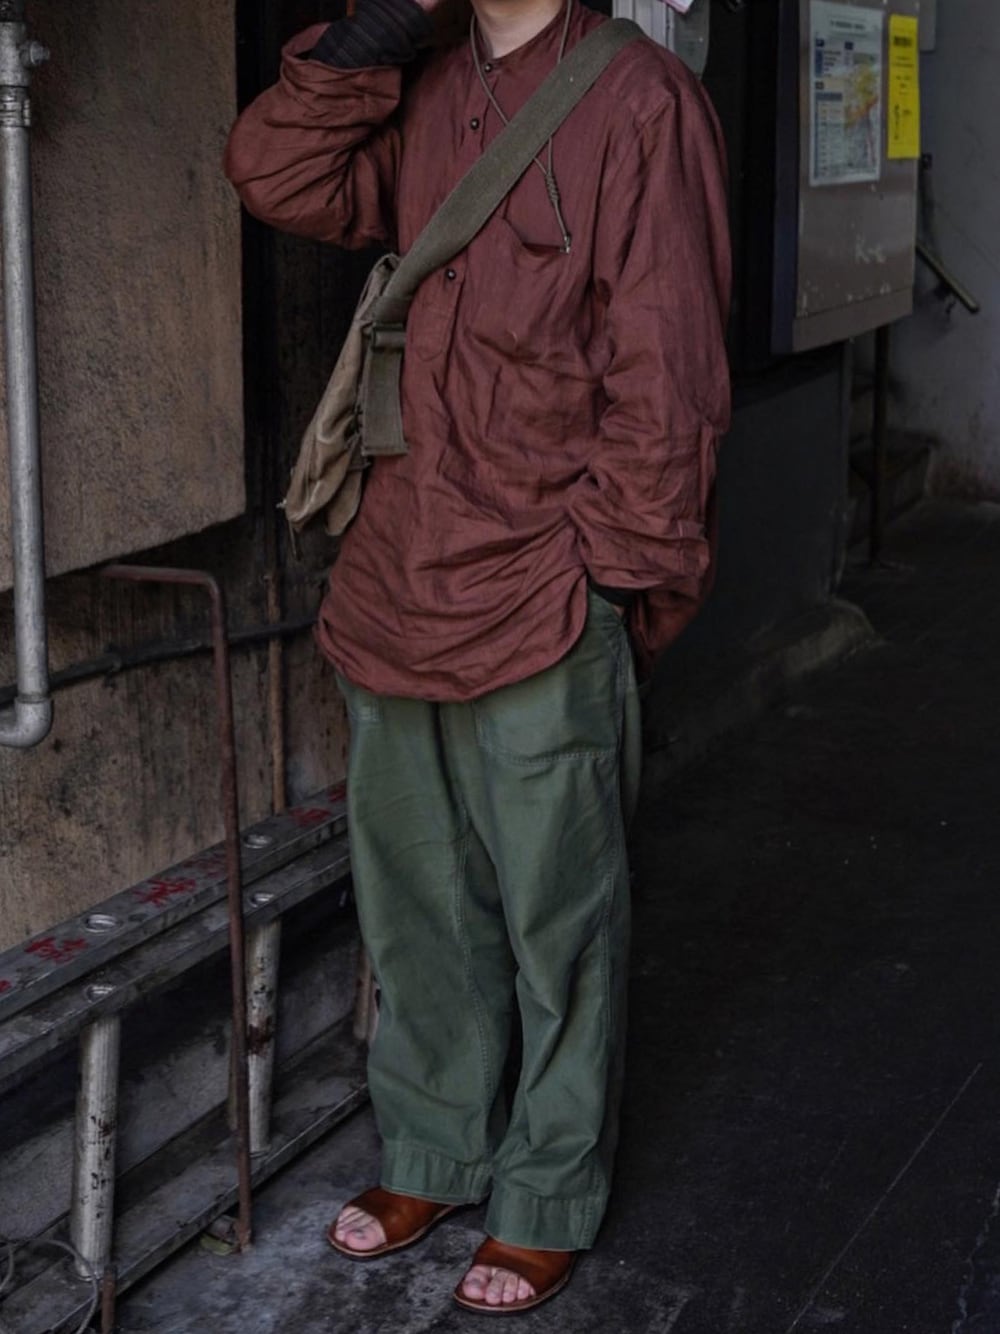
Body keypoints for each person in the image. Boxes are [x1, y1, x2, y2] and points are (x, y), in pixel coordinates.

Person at [225, 0, 729, 1313]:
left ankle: (547, 1188)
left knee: (563, 911)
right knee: (418, 895)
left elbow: (670, 368)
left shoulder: (639, 99)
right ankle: (435, 1149)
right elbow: (274, 172)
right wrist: (381, 29)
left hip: (545, 575)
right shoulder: (427, 82)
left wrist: (615, 574)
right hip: (399, 567)